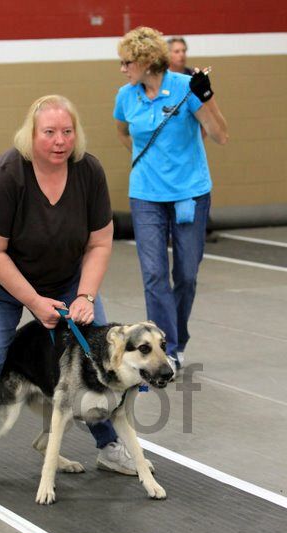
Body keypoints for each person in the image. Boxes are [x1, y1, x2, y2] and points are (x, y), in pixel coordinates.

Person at [0, 95, 144, 495]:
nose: (59, 140)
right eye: (49, 132)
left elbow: (99, 243)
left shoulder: (89, 171)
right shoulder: (8, 173)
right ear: (32, 135)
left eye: (67, 131)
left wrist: (85, 295)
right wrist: (32, 301)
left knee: (98, 350)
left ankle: (109, 446)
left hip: (61, 273)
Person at [113, 27, 228, 375]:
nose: (122, 69)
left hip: (189, 194)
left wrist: (205, 96)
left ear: (147, 62)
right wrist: (149, 165)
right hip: (146, 196)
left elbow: (220, 135)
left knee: (187, 274)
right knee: (154, 274)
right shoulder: (126, 95)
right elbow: (122, 132)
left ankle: (175, 335)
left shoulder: (184, 88)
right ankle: (169, 348)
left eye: (127, 62)